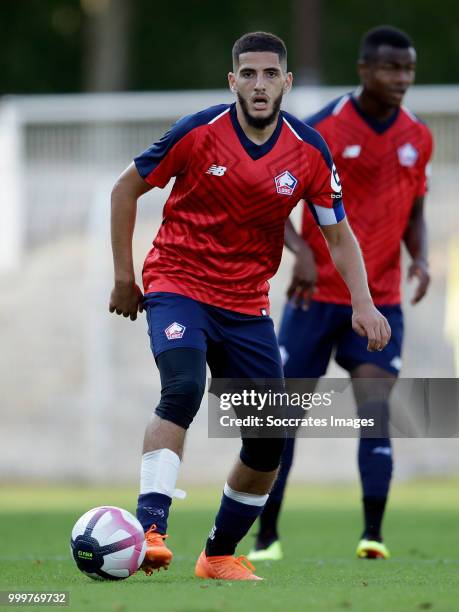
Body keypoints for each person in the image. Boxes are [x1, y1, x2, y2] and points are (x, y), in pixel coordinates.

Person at [109, 31, 390, 581]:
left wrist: (364, 303)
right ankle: (150, 527)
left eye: (270, 75)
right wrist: (124, 277)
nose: (259, 85)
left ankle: (217, 555)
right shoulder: (198, 131)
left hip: (245, 304)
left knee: (268, 436)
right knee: (184, 388)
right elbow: (125, 189)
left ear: (286, 82)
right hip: (178, 283)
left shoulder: (308, 150)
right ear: (232, 80)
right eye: (249, 74)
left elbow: (337, 234)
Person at [248, 25, 433, 563]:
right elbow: (269, 196)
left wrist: (419, 257)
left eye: (408, 69)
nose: (401, 79)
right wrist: (299, 251)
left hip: (380, 301)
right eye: (390, 68)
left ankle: (372, 536)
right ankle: (266, 538)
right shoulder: (321, 127)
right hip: (314, 300)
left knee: (376, 413)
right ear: (363, 70)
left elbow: (415, 209)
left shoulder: (418, 136)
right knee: (279, 418)